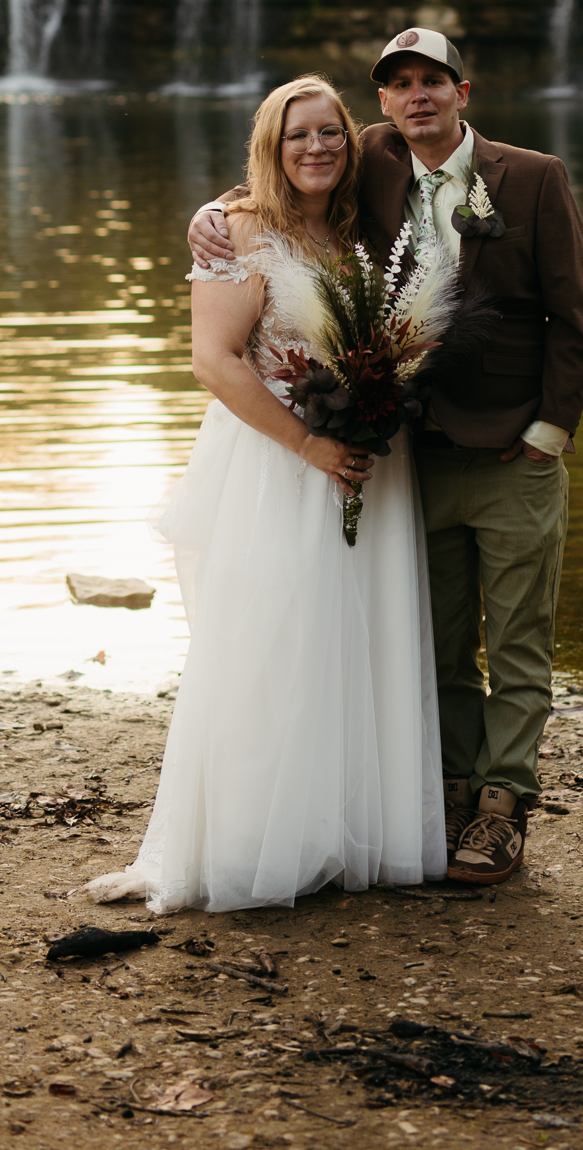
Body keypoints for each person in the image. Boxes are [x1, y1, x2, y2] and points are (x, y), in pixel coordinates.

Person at [190, 28, 583, 887]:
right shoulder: (370, 163)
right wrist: (220, 212)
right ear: (381, 103)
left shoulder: (532, 178)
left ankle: (501, 809)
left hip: (513, 451)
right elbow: (286, 170)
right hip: (414, 455)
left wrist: (545, 437)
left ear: (463, 89)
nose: (417, 97)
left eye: (433, 82)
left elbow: (574, 324)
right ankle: (449, 795)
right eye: (399, 84)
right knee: (437, 647)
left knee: (518, 645)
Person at [88, 74, 444, 913]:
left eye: (330, 133)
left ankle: (346, 832)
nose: (315, 147)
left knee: (358, 644)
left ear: (350, 144)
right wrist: (309, 444)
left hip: (363, 467)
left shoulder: (358, 233)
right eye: (297, 135)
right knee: (270, 648)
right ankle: (253, 844)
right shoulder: (233, 227)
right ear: (270, 147)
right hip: (275, 466)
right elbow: (213, 360)